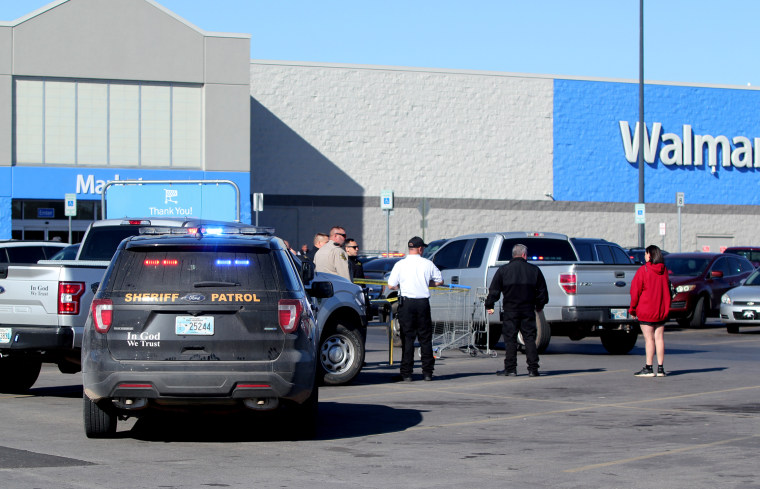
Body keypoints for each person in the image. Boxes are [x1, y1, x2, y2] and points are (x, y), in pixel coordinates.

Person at [485, 244, 549, 377]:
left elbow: (494, 290)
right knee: (529, 338)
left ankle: (510, 368)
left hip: (510, 310)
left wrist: (489, 305)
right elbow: (542, 292)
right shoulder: (534, 270)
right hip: (527, 310)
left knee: (510, 339)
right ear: (524, 255)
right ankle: (533, 369)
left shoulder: (503, 270)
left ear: (513, 255)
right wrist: (539, 305)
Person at [387, 236, 443, 382]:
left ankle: (406, 373)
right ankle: (428, 373)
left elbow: (391, 285)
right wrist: (426, 283)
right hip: (422, 303)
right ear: (420, 249)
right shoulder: (427, 263)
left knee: (407, 338)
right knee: (425, 338)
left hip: (406, 303)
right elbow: (439, 281)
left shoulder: (400, 264)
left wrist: (403, 285)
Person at [629, 245, 672, 378]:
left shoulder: (644, 270)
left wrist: (633, 308)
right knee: (659, 338)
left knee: (649, 339)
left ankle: (648, 367)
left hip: (646, 309)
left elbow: (635, 291)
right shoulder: (664, 271)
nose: (644, 256)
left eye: (646, 254)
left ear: (650, 255)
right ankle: (660, 368)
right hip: (661, 310)